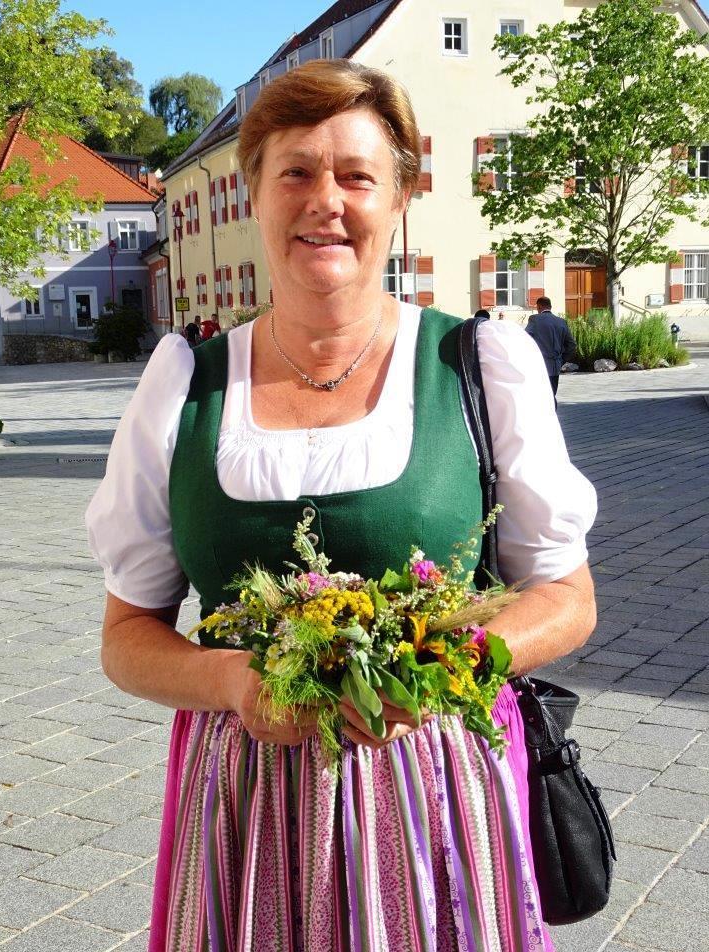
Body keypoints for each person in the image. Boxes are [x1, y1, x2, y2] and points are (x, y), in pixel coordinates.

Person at [86, 59, 597, 952]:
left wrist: (437, 666)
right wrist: (232, 681)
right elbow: (127, 635)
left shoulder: (479, 366)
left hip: (439, 802)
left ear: (399, 199)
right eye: (296, 172)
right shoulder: (183, 385)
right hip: (245, 812)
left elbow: (568, 597)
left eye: (357, 176)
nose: (325, 200)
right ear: (253, 195)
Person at [525, 296, 577, 397]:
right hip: (555, 366)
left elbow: (525, 338)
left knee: (540, 397)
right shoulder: (561, 322)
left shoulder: (534, 319)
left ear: (539, 307)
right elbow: (571, 345)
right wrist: (561, 360)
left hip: (539, 365)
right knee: (552, 395)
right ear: (550, 307)